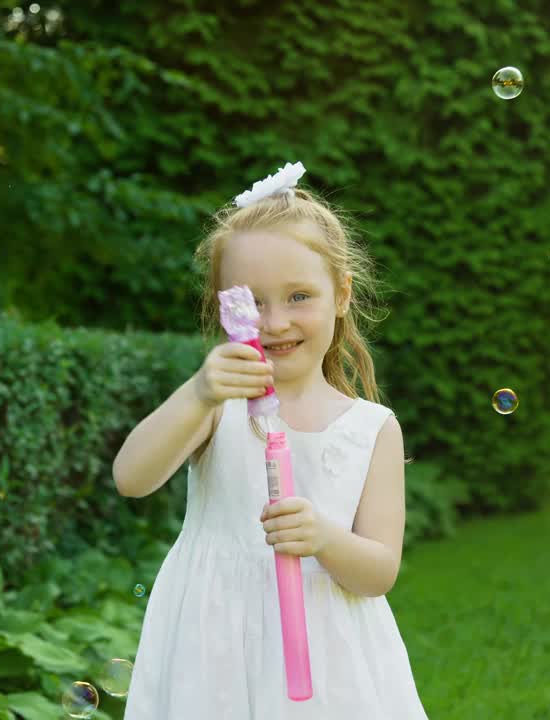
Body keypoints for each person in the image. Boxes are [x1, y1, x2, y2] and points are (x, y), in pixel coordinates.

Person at [112, 162, 428, 719]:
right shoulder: (218, 407)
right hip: (213, 648)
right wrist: (199, 391)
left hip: (328, 657)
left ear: (342, 295)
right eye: (251, 301)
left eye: (299, 296)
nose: (275, 321)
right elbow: (131, 478)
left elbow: (378, 572)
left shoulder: (371, 427)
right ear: (223, 307)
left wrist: (323, 536)